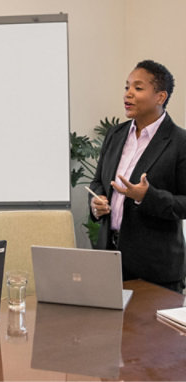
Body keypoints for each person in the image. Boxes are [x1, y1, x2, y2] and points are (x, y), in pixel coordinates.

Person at [89, 59, 186, 293]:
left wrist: (147, 196)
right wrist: (97, 202)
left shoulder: (180, 142)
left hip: (155, 270)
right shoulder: (116, 134)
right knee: (109, 330)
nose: (128, 94)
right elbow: (98, 182)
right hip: (109, 262)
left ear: (160, 97)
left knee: (152, 332)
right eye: (127, 87)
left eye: (138, 88)